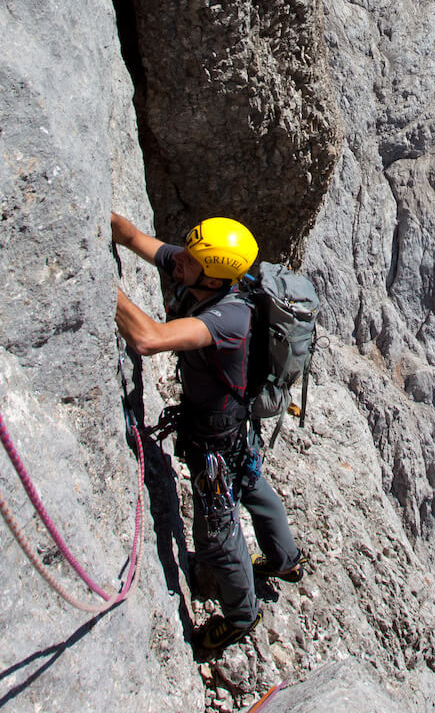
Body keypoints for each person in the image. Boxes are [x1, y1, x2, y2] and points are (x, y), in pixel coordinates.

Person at [112, 211, 304, 653]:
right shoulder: (206, 273)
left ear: (213, 277)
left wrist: (97, 278)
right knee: (252, 484)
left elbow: (148, 338)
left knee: (217, 537)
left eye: (191, 257)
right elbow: (140, 239)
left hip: (216, 442)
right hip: (238, 427)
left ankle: (241, 615)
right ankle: (285, 560)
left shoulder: (227, 318)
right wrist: (99, 221)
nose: (179, 258)